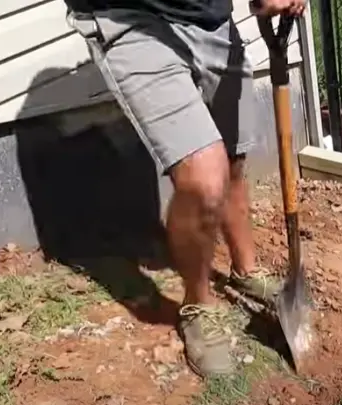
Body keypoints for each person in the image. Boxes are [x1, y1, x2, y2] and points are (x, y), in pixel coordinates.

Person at [66, 0, 306, 378]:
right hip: (131, 17)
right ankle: (197, 303)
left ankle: (246, 270)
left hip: (208, 16)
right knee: (204, 180)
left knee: (233, 160)